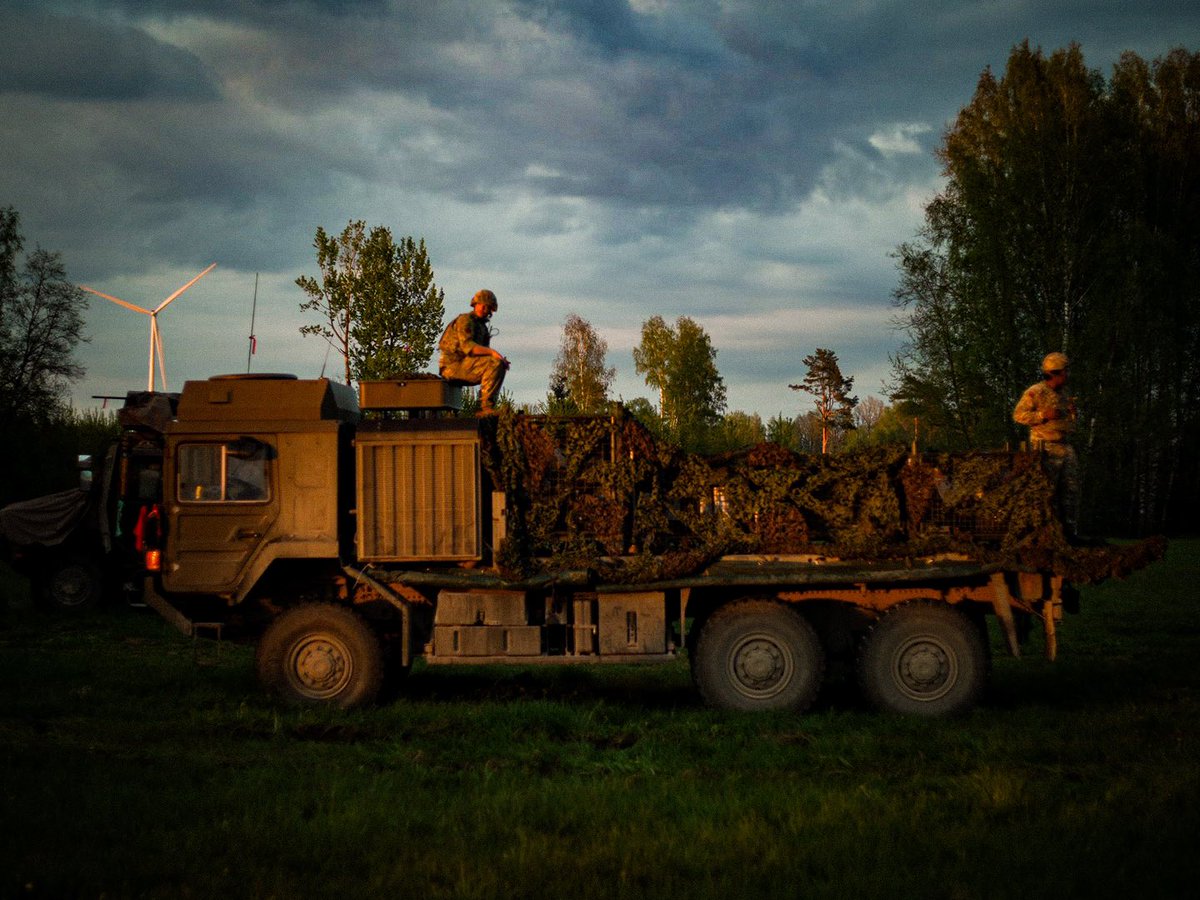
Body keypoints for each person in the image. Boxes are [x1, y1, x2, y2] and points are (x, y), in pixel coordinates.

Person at [1013, 352, 1080, 539]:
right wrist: (1042, 416)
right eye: (1065, 371)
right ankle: (1045, 536)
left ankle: (1069, 534)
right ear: (1055, 373)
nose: (1067, 375)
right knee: (1046, 492)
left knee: (1070, 491)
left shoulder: (1066, 393)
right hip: (1045, 448)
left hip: (1065, 446)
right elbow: (1018, 415)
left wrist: (1073, 415)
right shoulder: (1036, 392)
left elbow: (1070, 420)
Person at [438, 289, 510, 414]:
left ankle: (486, 406)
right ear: (475, 304)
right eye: (482, 305)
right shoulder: (465, 320)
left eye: (487, 307)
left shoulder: (482, 328)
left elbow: (482, 355)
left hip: (464, 366)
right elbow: (468, 347)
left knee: (498, 364)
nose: (484, 309)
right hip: (452, 367)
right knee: (494, 363)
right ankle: (486, 407)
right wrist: (493, 353)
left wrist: (498, 359)